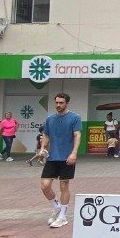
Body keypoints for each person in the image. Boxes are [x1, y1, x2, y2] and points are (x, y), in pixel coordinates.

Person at [40, 92, 81, 229]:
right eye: (56, 102)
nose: (58, 105)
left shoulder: (75, 117)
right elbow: (46, 135)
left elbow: (77, 135)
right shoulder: (50, 119)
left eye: (61, 103)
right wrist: (42, 148)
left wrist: (74, 153)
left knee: (64, 185)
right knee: (45, 186)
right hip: (52, 157)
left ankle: (62, 217)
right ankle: (56, 207)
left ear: (66, 103)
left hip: (67, 157)